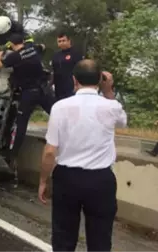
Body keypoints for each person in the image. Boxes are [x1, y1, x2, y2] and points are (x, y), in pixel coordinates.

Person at [38, 60, 127, 252]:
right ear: (100, 80)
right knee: (100, 239)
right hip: (100, 180)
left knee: (63, 236)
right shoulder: (112, 107)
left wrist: (43, 180)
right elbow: (123, 122)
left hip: (67, 178)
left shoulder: (60, 107)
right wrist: (108, 90)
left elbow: (50, 150)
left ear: (74, 80)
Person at [0, 34, 54, 159]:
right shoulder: (32, 48)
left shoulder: (15, 57)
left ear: (11, 44)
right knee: (57, 113)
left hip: (29, 93)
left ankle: (12, 154)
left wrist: (1, 52)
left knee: (21, 124)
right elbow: (42, 46)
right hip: (44, 90)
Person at [51, 32, 84, 101]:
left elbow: (80, 70)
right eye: (59, 41)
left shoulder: (76, 53)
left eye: (63, 40)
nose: (61, 43)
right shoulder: (56, 56)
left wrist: (78, 85)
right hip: (59, 88)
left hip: (72, 86)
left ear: (69, 41)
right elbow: (54, 71)